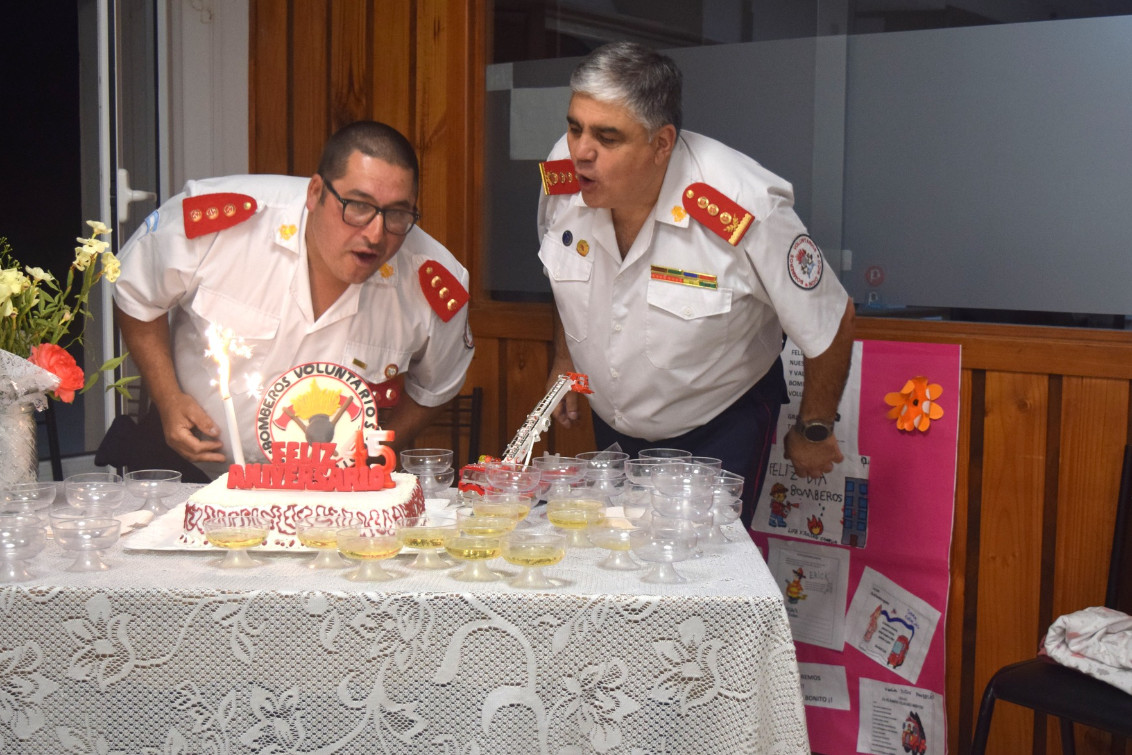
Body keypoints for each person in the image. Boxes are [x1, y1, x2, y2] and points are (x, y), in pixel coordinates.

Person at [537, 42, 854, 526]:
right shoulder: (566, 172)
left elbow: (830, 318)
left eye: (607, 136)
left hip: (718, 428)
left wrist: (813, 429)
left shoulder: (744, 205)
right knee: (621, 564)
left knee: (699, 583)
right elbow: (567, 274)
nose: (581, 151)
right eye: (574, 126)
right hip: (613, 422)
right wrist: (566, 360)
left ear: (662, 143)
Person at [111, 120, 474, 480]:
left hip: (330, 490)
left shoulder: (432, 282)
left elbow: (436, 386)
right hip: (192, 469)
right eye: (358, 206)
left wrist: (378, 453)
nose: (376, 234)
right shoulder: (222, 226)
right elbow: (137, 294)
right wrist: (168, 398)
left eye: (397, 213)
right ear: (315, 193)